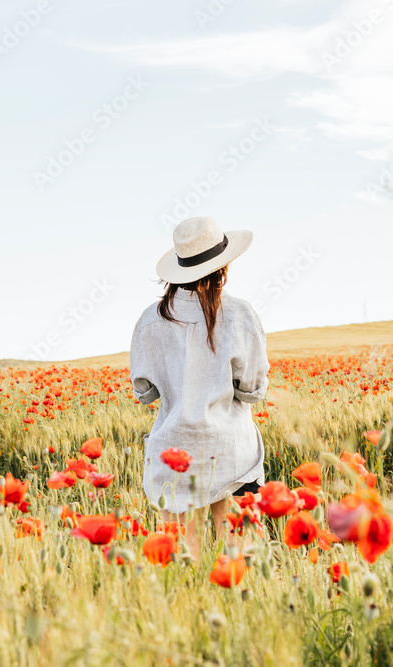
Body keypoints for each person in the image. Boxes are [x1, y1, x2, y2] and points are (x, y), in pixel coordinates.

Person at [129, 216, 270, 560]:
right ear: (222, 268)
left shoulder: (150, 319)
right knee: (240, 560)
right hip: (232, 455)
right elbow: (252, 389)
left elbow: (145, 393)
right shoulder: (240, 315)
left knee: (182, 560)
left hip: (173, 455)